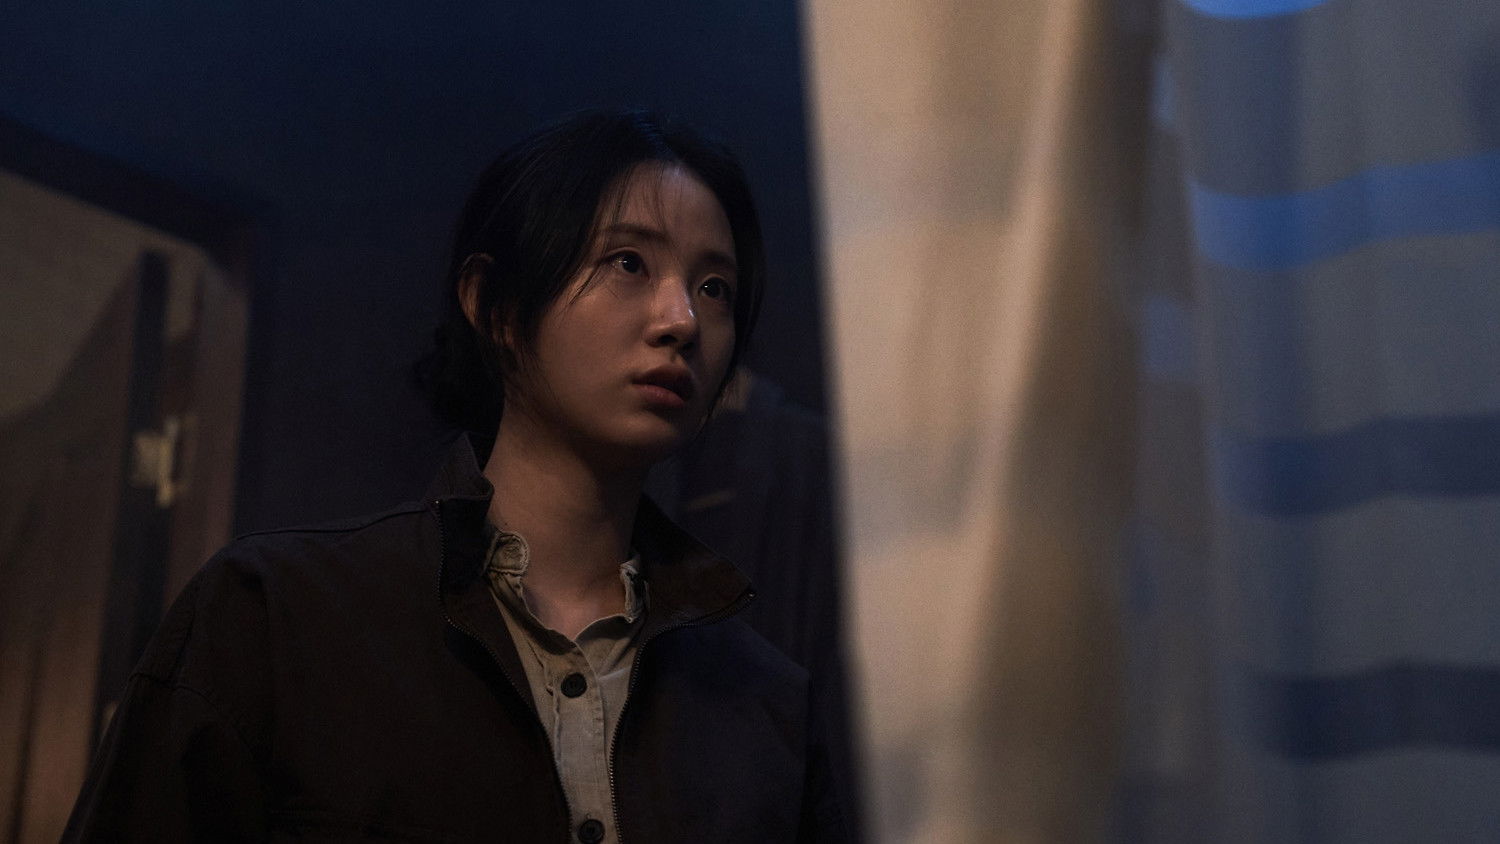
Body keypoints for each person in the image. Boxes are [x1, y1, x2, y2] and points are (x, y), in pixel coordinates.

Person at [64, 109, 850, 842]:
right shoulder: (273, 618)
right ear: (495, 305)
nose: (681, 319)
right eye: (628, 262)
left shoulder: (767, 702)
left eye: (714, 288)